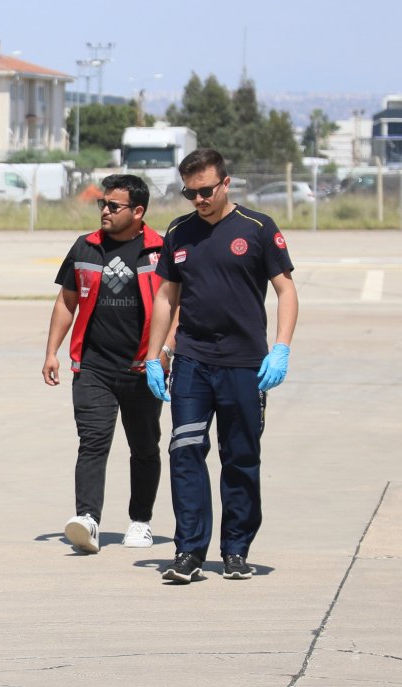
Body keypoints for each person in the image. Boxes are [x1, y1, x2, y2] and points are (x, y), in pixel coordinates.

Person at [145, 148, 298, 584]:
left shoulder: (257, 229)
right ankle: (189, 551)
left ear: (225, 184)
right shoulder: (179, 231)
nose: (198, 200)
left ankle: (235, 550)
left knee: (240, 458)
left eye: (205, 191)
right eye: (189, 193)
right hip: (192, 362)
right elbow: (165, 298)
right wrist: (154, 356)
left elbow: (286, 291)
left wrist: (280, 349)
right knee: (186, 453)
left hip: (244, 365)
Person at [43, 174, 174, 554]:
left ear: (138, 211)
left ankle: (140, 521)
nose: (104, 210)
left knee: (145, 446)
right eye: (102, 203)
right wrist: (52, 350)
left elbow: (176, 306)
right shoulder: (85, 247)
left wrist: (163, 354)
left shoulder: (160, 250)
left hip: (142, 367)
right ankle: (87, 518)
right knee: (93, 442)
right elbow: (67, 301)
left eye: (113, 206)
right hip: (94, 367)